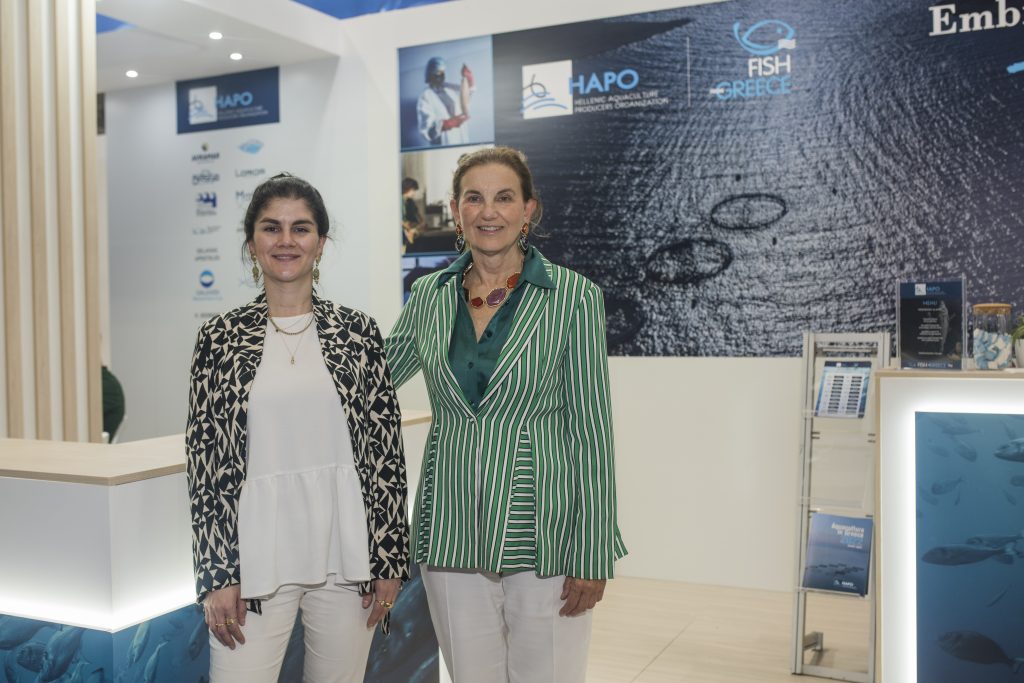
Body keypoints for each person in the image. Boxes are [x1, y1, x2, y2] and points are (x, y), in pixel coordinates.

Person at [385, 147, 626, 682]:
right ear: (456, 210)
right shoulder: (428, 295)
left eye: (504, 197)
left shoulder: (573, 298)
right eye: (474, 198)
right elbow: (372, 381)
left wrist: (592, 552)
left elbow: (591, 431)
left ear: (528, 209)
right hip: (450, 530)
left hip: (544, 533)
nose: (488, 211)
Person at [186, 173, 409, 683]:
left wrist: (390, 559)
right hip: (253, 559)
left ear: (320, 243)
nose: (286, 240)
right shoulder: (219, 338)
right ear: (252, 244)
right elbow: (205, 463)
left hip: (347, 557)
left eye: (301, 228)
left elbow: (386, 455)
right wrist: (217, 573)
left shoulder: (358, 332)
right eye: (271, 228)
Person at [417, 56, 474, 146]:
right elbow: (427, 131)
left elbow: (466, 94)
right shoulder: (425, 96)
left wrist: (469, 81)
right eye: (438, 72)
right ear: (430, 74)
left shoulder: (449, 87)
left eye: (443, 72)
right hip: (445, 142)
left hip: (461, 136)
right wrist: (445, 125)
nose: (441, 75)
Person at [401, 176, 425, 251]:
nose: (414, 193)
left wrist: (421, 224)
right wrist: (409, 227)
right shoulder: (399, 201)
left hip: (412, 228)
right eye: (413, 190)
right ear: (407, 188)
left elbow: (418, 215)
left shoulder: (410, 202)